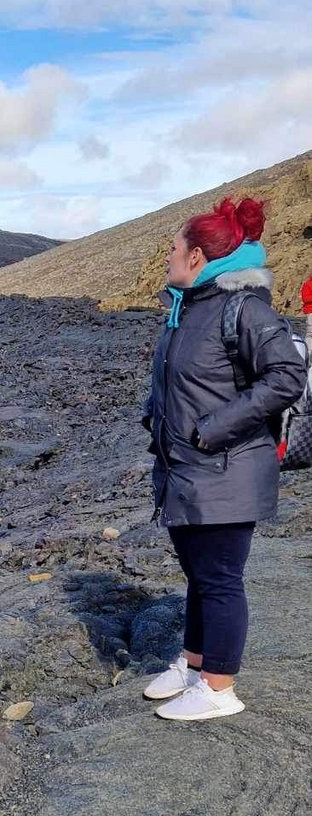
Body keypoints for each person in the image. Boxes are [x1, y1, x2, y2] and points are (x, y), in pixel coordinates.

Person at [142, 196, 307, 722]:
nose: (167, 256)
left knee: (219, 578)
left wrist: (210, 431)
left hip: (225, 467)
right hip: (186, 468)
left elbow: (286, 376)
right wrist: (155, 418)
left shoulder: (245, 308)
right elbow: (184, 382)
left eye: (173, 248)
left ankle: (219, 688)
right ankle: (194, 665)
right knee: (199, 574)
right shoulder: (188, 307)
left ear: (196, 257)